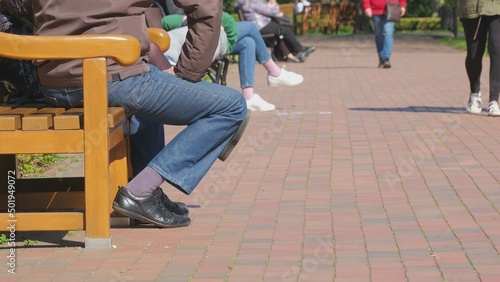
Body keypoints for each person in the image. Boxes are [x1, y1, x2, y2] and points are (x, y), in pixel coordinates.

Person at [32, 0, 248, 228]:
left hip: (54, 83)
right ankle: (139, 192)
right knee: (231, 106)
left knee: (147, 75)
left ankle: (147, 191)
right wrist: (188, 72)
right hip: (112, 78)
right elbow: (204, 7)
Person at [161, 12, 304, 111]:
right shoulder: (183, 15)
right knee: (250, 26)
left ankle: (248, 95)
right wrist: (188, 19)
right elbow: (165, 22)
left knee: (248, 42)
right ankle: (274, 72)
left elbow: (220, 17)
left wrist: (213, 21)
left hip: (212, 38)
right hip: (205, 41)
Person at [237, 0, 316, 63]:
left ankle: (290, 55)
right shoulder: (252, 1)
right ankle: (299, 50)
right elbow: (269, 11)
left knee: (280, 28)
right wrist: (275, 5)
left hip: (258, 26)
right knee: (282, 27)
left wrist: (273, 5)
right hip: (260, 26)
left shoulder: (246, 2)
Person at [460, 0, 500, 116]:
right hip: (472, 7)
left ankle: (494, 100)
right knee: (474, 54)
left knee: (497, 49)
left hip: (496, 6)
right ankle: (475, 93)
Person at [362, 0, 406, 68]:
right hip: (375, 10)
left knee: (388, 32)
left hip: (392, 8)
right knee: (379, 35)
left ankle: (386, 58)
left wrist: (402, 5)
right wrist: (367, 6)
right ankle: (381, 57)